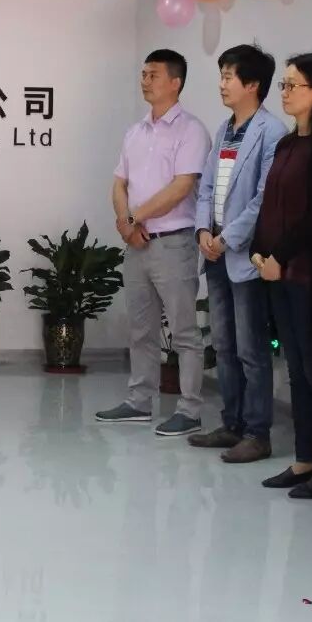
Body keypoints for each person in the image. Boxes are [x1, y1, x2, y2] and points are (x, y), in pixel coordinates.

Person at [249, 54, 312, 498]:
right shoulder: (288, 144)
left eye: (294, 85)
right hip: (279, 273)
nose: (286, 92)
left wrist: (279, 255)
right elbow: (270, 203)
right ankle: (305, 458)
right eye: (284, 85)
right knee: (295, 368)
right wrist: (259, 250)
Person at [96, 50, 211, 436]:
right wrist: (126, 224)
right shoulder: (135, 131)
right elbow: (119, 184)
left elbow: (182, 186)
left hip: (173, 243)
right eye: (143, 74)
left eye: (153, 75)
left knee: (183, 332)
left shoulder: (191, 131)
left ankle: (190, 410)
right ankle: (139, 402)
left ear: (175, 82)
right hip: (137, 243)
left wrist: (135, 218)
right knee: (141, 329)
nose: (145, 81)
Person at [189, 44, 287, 463]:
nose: (222, 84)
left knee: (251, 349)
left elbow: (265, 198)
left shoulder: (271, 132)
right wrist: (202, 231)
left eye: (229, 76)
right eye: (222, 75)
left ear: (252, 84)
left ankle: (257, 433)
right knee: (224, 345)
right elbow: (207, 187)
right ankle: (231, 424)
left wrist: (227, 238)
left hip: (243, 255)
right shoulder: (225, 129)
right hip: (214, 253)